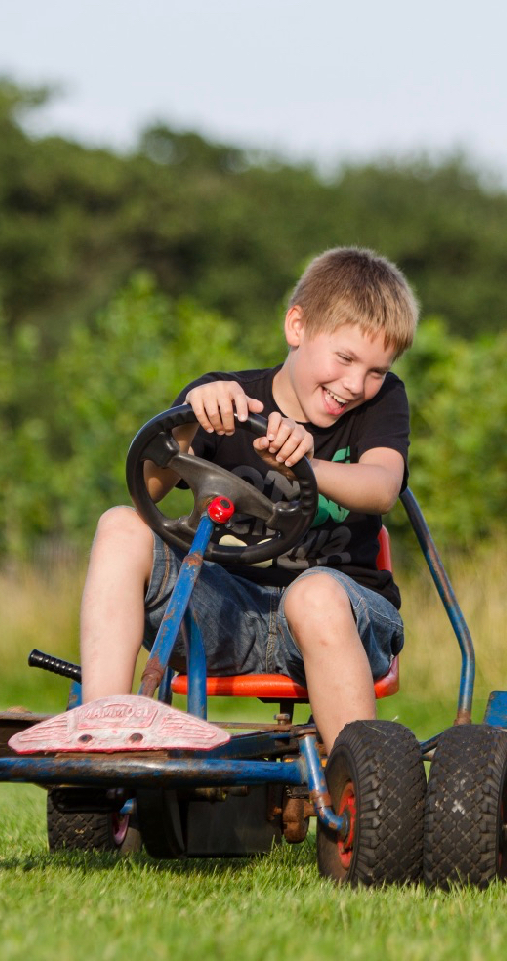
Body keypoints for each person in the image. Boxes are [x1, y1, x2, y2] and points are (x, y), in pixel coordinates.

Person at [79, 247, 418, 750]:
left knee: (314, 592)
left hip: (344, 618)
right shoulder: (223, 400)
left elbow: (382, 487)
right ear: (297, 327)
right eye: (345, 358)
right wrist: (192, 422)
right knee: (118, 525)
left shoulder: (382, 402)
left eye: (375, 369)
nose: (355, 384)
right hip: (228, 612)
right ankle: (100, 729)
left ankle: (361, 781)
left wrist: (309, 466)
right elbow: (146, 492)